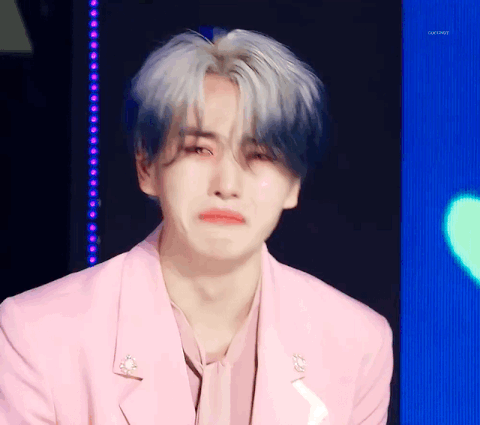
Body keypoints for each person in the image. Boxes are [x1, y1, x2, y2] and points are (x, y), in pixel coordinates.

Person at [0, 28, 393, 425]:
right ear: (146, 167)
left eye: (259, 154)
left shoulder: (357, 345)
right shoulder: (36, 335)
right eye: (199, 149)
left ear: (294, 184)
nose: (227, 184)